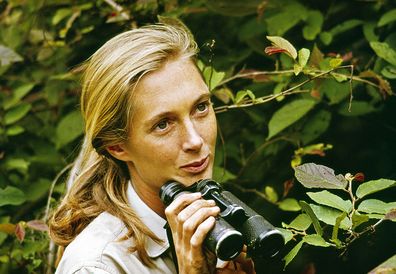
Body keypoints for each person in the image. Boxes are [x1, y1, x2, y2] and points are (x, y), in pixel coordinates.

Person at [49, 23, 255, 274]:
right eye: (163, 124)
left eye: (200, 107)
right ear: (117, 146)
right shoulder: (95, 265)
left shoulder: (218, 232)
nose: (195, 140)